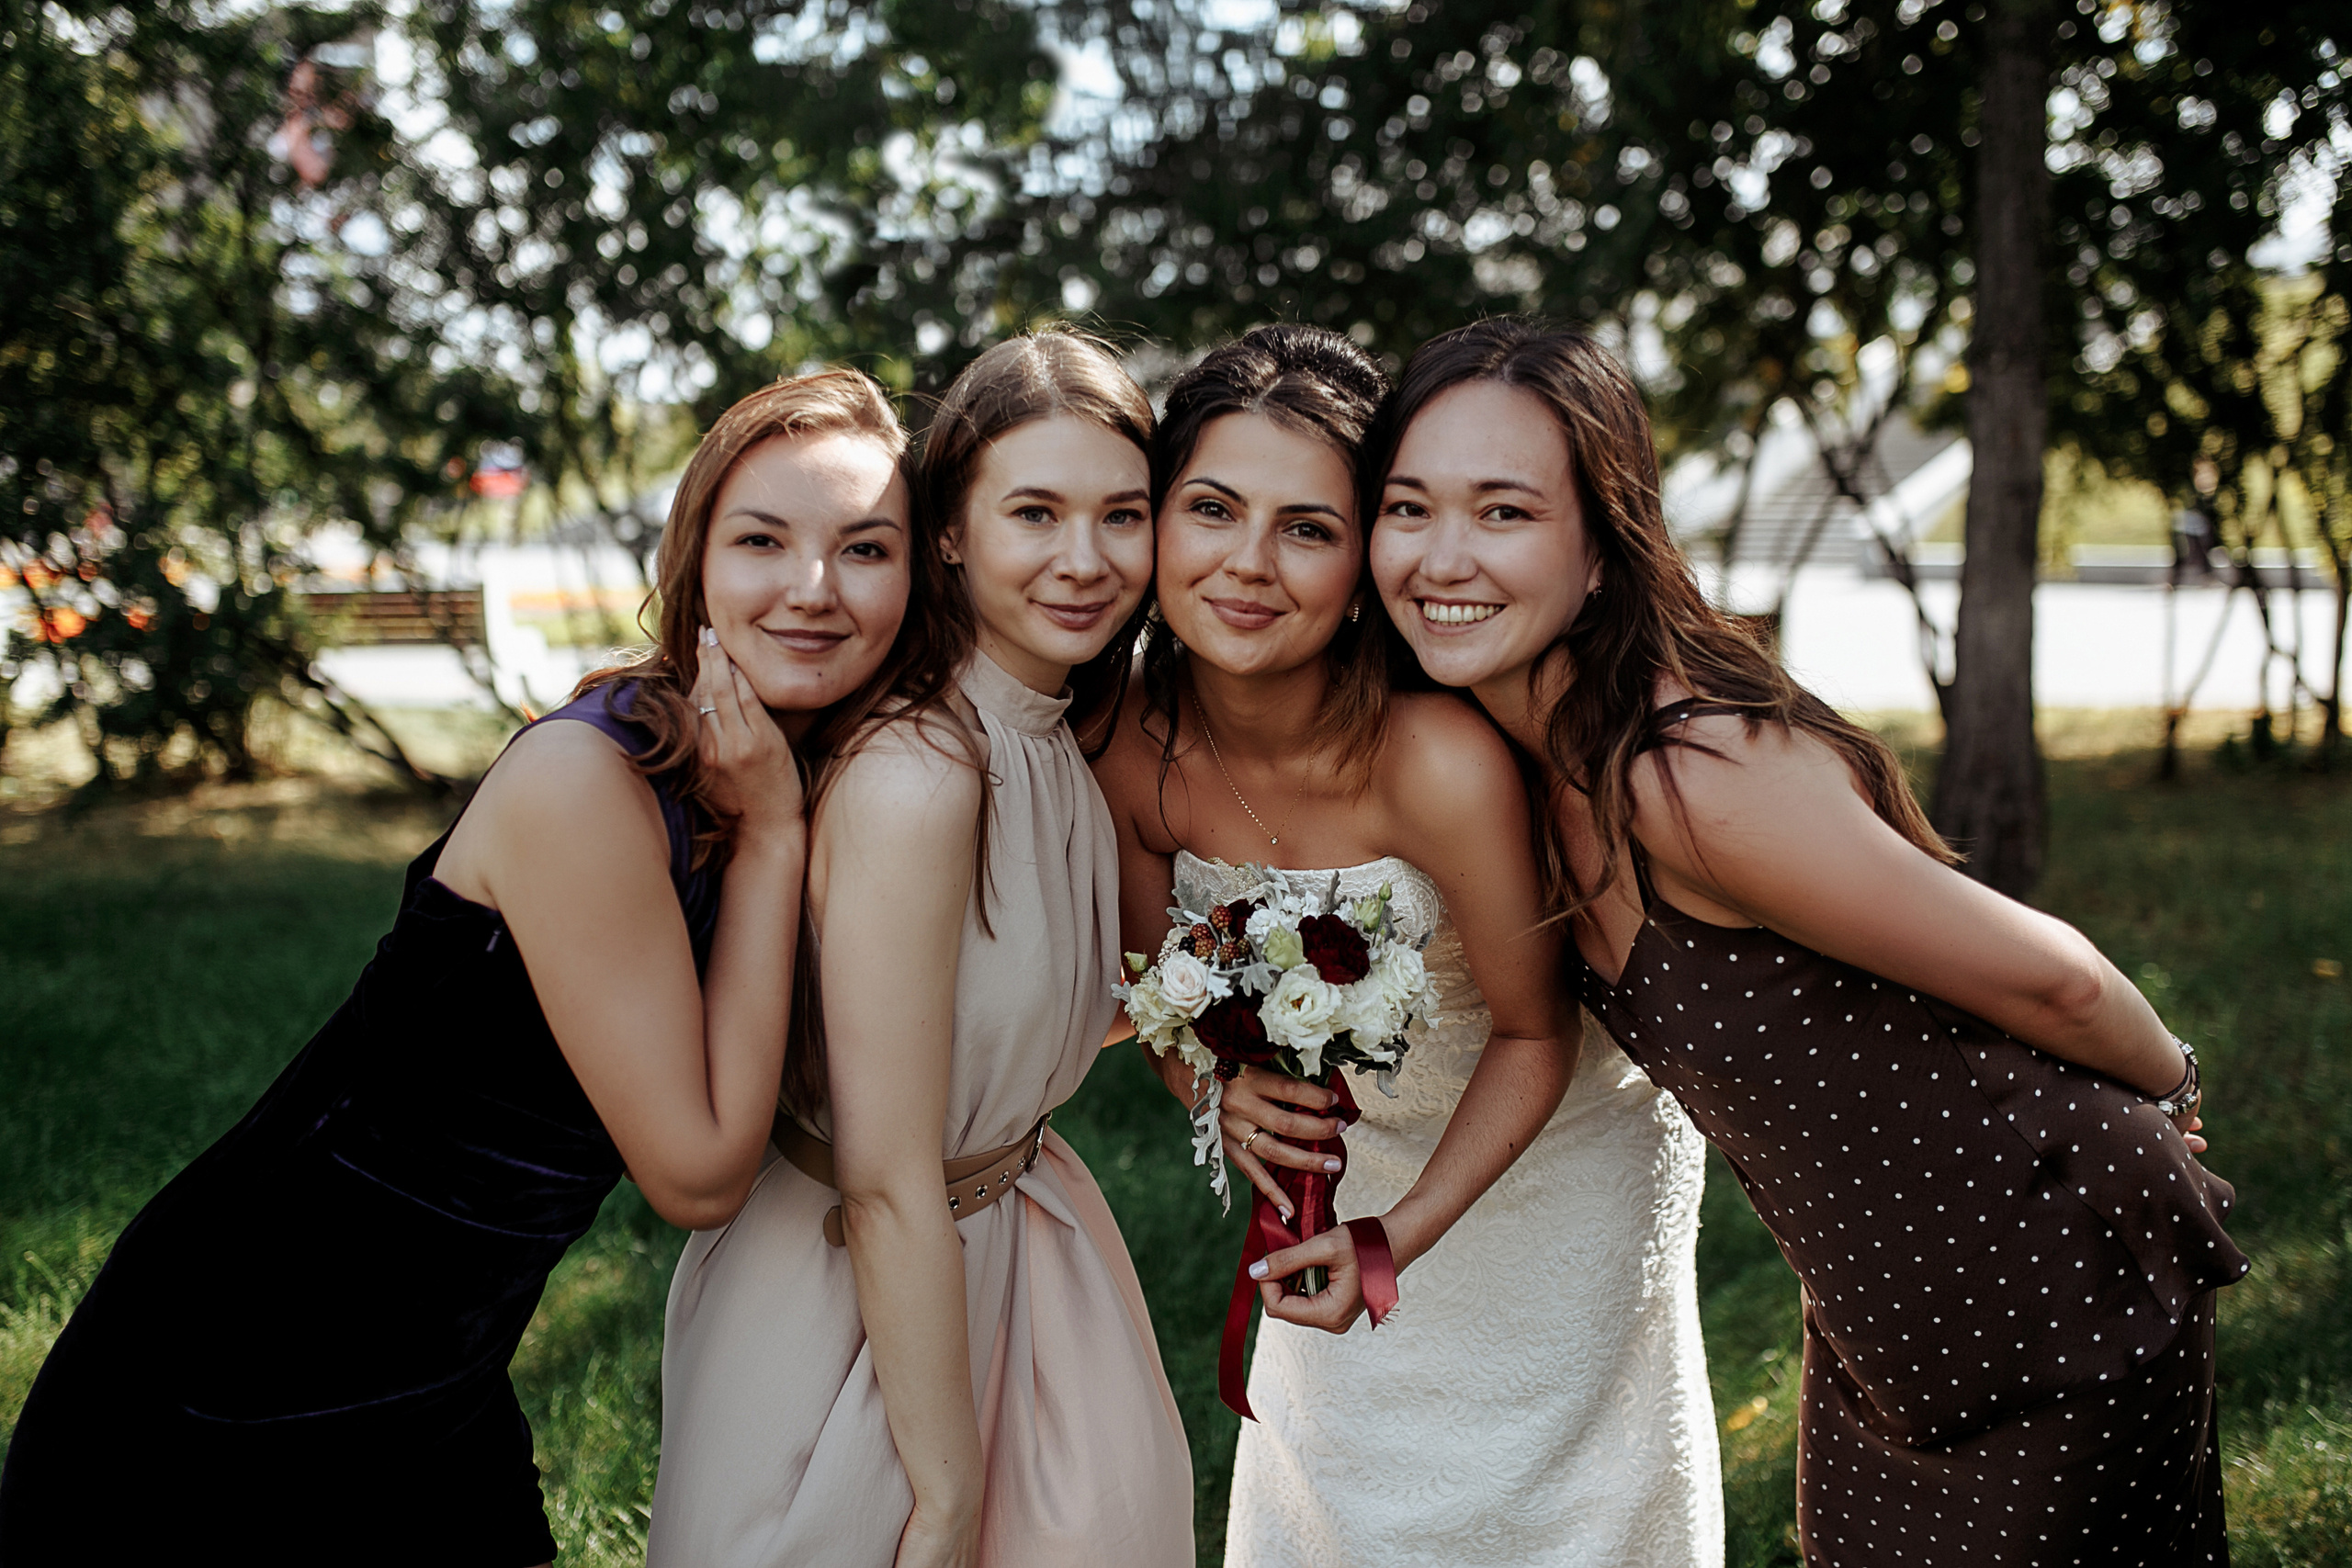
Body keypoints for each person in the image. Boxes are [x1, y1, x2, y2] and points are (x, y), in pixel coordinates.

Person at [1360, 316, 2247, 1565]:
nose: (1444, 556)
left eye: (1504, 513)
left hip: (2046, 1269)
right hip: (1889, 1315)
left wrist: (2172, 1085)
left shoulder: (1689, 776)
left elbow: (2049, 974)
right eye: (1410, 507)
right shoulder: (1511, 770)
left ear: (1604, 549)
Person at [0, 367, 921, 1565]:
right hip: (239, 1365)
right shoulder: (585, 781)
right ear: (697, 562)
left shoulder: (806, 774)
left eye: (864, 549)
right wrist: (778, 840)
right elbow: (697, 1177)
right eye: (762, 540)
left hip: (441, 1369)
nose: (812, 587)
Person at [1090, 323, 1721, 1567]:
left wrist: (1394, 1237)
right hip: (1345, 1182)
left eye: (1310, 528)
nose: (1249, 565)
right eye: (1211, 509)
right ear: (1155, 520)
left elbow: (1538, 1033)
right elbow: (1160, 996)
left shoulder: (1437, 760)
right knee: (1343, 1505)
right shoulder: (1128, 750)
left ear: (1364, 551)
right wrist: (1217, 1088)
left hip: (1548, 1175)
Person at [649, 330, 1194, 1568]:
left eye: (1123, 515)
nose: (1084, 559)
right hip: (860, 1298)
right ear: (949, 529)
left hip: (1024, 1239)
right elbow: (889, 1173)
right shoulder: (920, 774)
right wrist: (943, 1499)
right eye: (1035, 513)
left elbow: (1023, 1008)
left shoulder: (1059, 735)